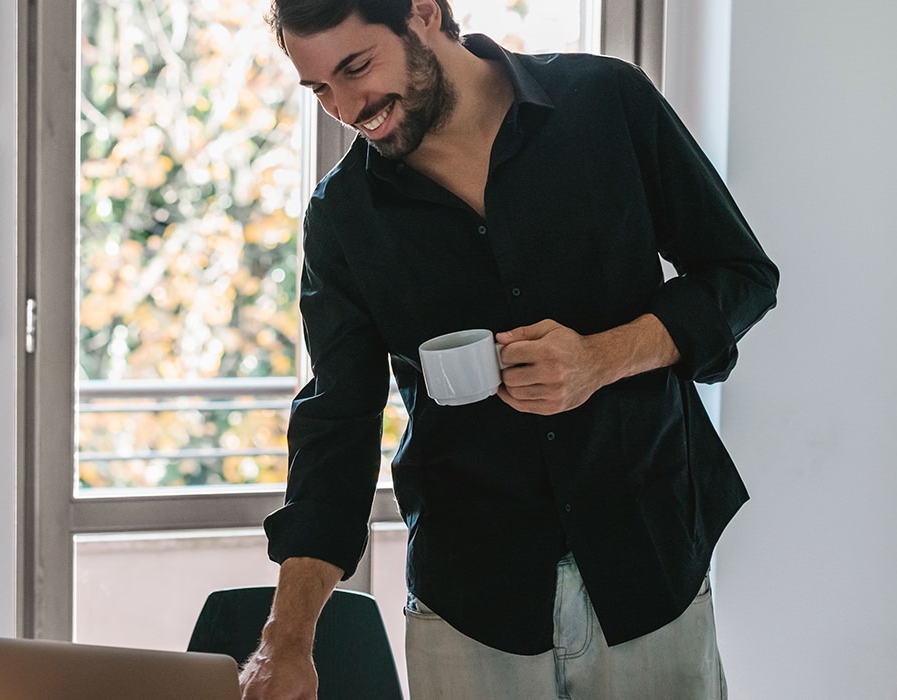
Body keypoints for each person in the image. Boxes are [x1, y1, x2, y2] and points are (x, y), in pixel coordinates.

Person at [237, 0, 777, 698]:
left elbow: (739, 276)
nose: (346, 107)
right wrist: (287, 641)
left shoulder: (607, 103)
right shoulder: (344, 219)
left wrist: (599, 360)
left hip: (649, 563)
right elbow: (335, 426)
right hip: (470, 603)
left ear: (423, 15)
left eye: (356, 67)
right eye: (319, 89)